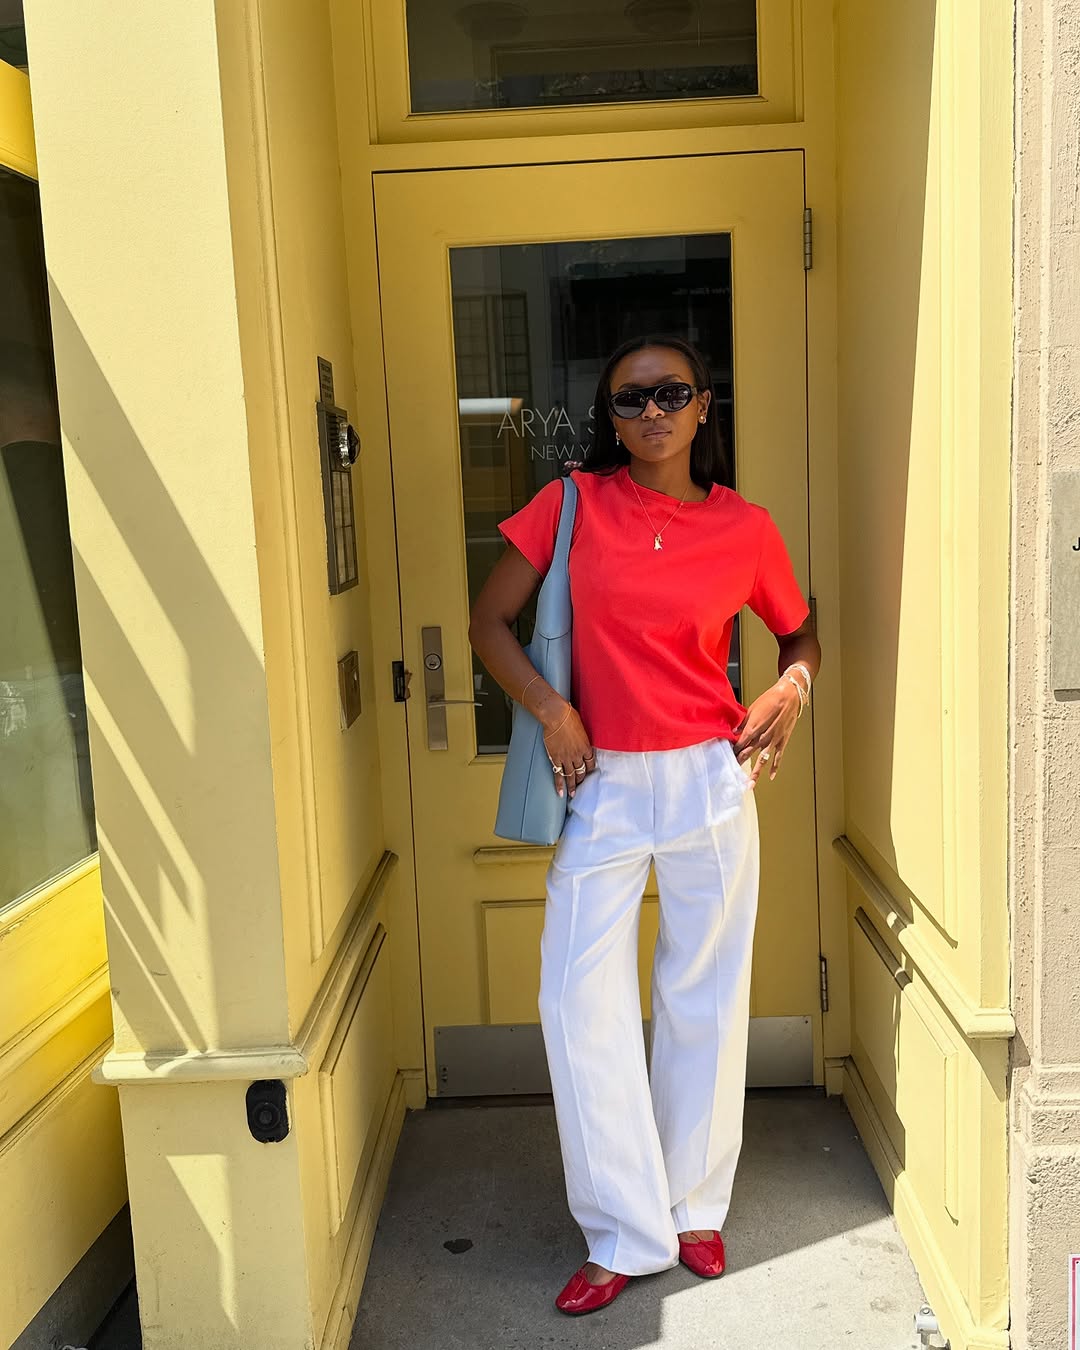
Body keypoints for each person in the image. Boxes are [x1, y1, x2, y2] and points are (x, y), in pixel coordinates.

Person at [467, 335, 821, 1314]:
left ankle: (693, 1205)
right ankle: (623, 1229)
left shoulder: (746, 527)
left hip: (711, 775)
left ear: (704, 406)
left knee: (706, 992)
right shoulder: (570, 505)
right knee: (577, 998)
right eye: (631, 399)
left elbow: (799, 633)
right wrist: (553, 709)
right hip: (605, 780)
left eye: (671, 394)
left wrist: (791, 688)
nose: (652, 411)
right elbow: (488, 621)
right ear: (610, 416)